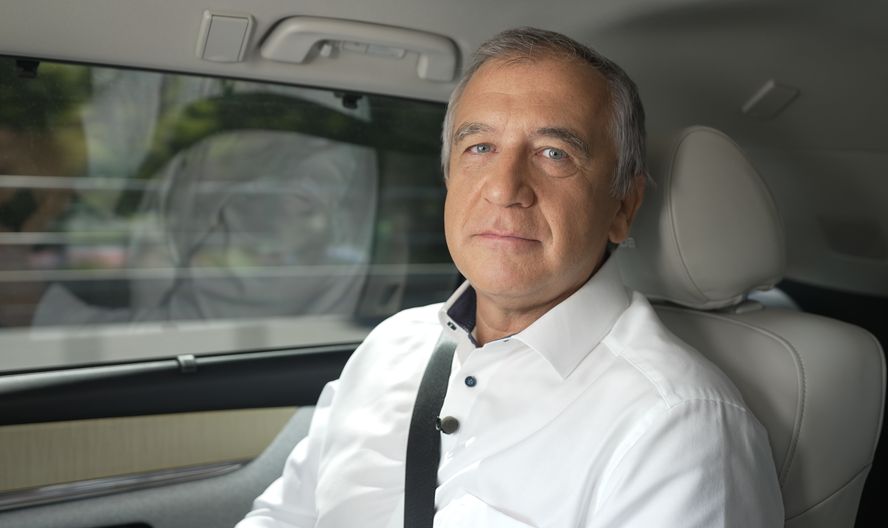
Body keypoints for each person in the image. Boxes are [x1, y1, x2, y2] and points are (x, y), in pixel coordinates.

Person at [237, 27, 784, 527]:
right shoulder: (390, 347)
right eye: (479, 148)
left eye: (554, 153)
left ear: (623, 206)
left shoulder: (676, 425)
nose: (504, 188)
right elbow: (282, 517)